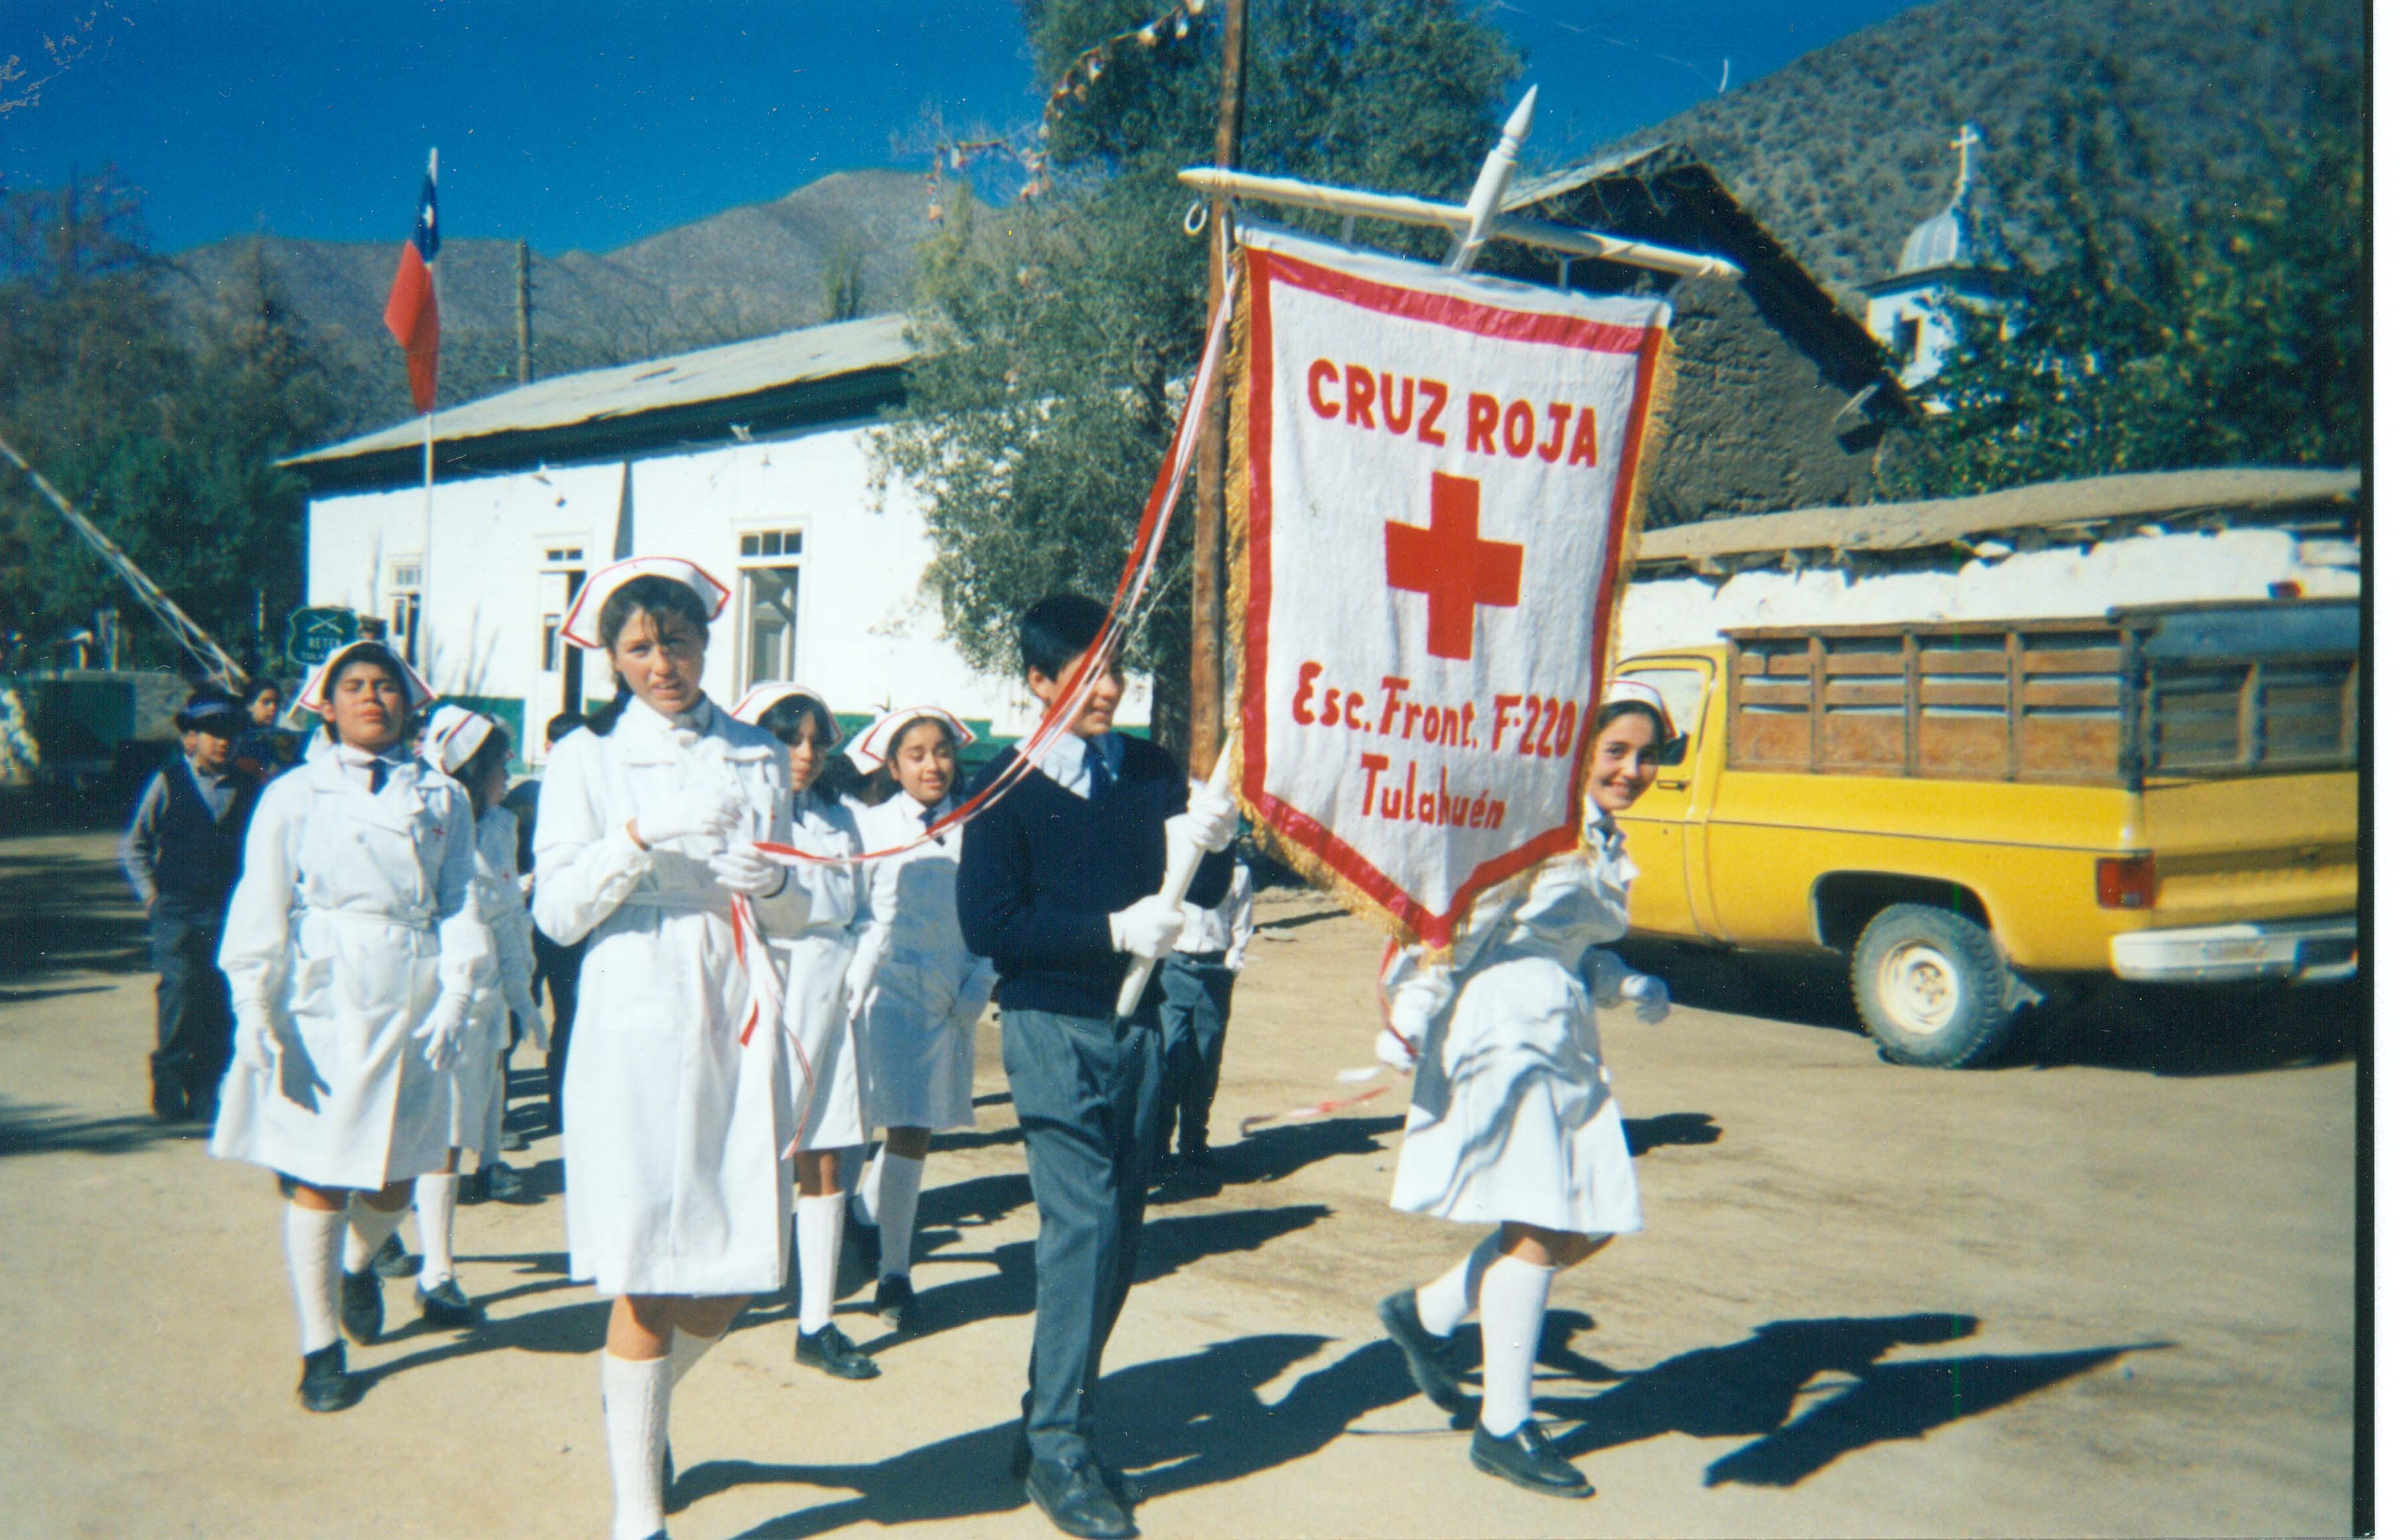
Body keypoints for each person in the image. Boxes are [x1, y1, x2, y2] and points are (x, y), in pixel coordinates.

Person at [530, 557, 811, 1540]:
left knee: (735, 1263)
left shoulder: (756, 753)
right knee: (645, 1260)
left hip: (734, 995)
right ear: (610, 656)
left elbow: (807, 906)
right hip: (633, 998)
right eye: (641, 647)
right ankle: (636, 1514)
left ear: (706, 642)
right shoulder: (587, 761)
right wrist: (637, 837)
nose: (665, 663)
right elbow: (558, 913)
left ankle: (634, 1397)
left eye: (679, 641)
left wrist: (772, 887)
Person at [955, 594, 1240, 1540]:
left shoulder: (1149, 769)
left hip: (1141, 1025)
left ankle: (1047, 1415)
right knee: (1078, 1225)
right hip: (1050, 1024)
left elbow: (1191, 886)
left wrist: (1215, 839)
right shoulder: (1001, 789)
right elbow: (990, 926)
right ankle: (1063, 1446)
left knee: (1117, 1232)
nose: (1108, 688)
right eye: (1083, 673)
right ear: (1037, 683)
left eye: (1114, 670)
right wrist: (1109, 929)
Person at [1373, 681, 1677, 1500]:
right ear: (1578, 748)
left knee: (1593, 1214)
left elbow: (1571, 946)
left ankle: (1431, 1310)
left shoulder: (1604, 836)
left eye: (1646, 754)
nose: (1633, 768)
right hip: (1500, 1031)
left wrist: (1623, 980)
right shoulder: (1527, 824)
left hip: (1564, 1029)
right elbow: (1455, 927)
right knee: (1544, 1220)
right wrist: (1408, 1016)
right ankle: (1504, 1426)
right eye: (1616, 750)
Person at [208, 640, 493, 1413]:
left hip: (413, 985)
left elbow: (461, 896)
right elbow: (260, 900)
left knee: (399, 1174)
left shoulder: (443, 796)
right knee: (322, 1174)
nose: (374, 698)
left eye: (387, 687)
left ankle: (361, 1263)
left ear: (409, 702)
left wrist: (460, 987)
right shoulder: (294, 794)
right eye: (355, 687)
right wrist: (252, 1006)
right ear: (325, 705)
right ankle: (320, 1345)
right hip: (326, 992)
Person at [731, 683, 879, 1381]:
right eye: (792, 737)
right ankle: (716, 1290)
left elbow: (866, 908)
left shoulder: (839, 821)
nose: (807, 753)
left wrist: (863, 962)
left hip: (831, 993)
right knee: (752, 1146)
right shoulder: (742, 817)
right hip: (766, 992)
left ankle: (815, 1320)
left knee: (825, 1154)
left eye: (819, 740)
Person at [845, 705, 995, 1337]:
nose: (932, 765)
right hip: (881, 996)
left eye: (941, 751)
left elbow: (997, 908)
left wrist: (980, 981)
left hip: (946, 998)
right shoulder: (869, 826)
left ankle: (895, 1272)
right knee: (856, 1125)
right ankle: (854, 1218)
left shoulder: (978, 825)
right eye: (916, 754)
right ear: (893, 764)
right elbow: (854, 914)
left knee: (914, 1130)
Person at [407, 705, 547, 1323]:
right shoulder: (431, 822)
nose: (508, 772)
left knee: (455, 1135)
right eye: (499, 762)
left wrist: (523, 1002)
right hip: (438, 997)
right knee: (433, 1136)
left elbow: (510, 918)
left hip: (486, 1000)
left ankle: (433, 1265)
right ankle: (429, 1265)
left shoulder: (501, 826)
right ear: (470, 767)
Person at [120, 686, 262, 1124]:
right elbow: (135, 844)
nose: (224, 741)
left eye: (232, 733)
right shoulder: (168, 781)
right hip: (177, 909)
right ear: (190, 738)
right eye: (212, 731)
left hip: (228, 912)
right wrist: (151, 895)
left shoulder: (249, 787)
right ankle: (169, 1076)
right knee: (180, 989)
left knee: (219, 994)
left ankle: (207, 1086)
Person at [503, 711, 590, 1137]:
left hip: (571, 930)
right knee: (515, 1013)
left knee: (572, 1015)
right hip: (526, 923)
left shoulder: (592, 799)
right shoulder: (523, 798)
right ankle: (497, 1112)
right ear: (550, 749)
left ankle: (563, 1107)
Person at [1152, 857, 1254, 1189]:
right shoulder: (1174, 860)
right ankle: (1158, 1148)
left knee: (1206, 1060)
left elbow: (1241, 922)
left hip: (1214, 972)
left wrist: (1231, 962)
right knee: (1171, 1056)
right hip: (1174, 966)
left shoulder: (1236, 869)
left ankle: (1194, 1142)